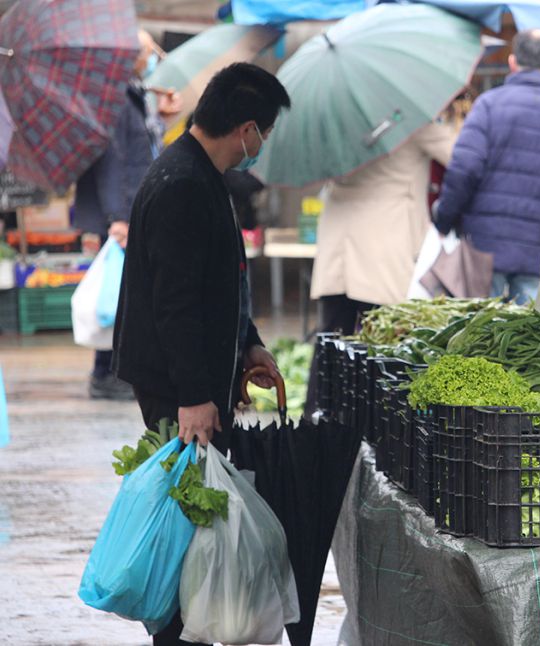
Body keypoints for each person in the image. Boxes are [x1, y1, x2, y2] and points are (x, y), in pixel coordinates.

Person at [113, 62, 290, 645]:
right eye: (263, 131)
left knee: (196, 521)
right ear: (246, 129)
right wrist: (193, 396)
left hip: (199, 371)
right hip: (174, 383)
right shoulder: (182, 184)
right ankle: (176, 634)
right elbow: (175, 305)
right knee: (183, 525)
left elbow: (222, 281)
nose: (261, 144)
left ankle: (191, 629)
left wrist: (249, 345)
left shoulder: (203, 174)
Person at [433, 28, 540, 305]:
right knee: (525, 340)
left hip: (482, 248)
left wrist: (446, 218)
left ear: (513, 62)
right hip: (537, 248)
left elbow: (464, 169)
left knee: (479, 338)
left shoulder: (487, 106)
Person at [74, 29, 176, 400]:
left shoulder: (133, 92)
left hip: (134, 210)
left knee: (125, 294)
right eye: (148, 51)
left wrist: (161, 119)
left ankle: (113, 371)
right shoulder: (114, 97)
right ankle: (106, 373)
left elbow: (142, 148)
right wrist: (119, 218)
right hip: (123, 215)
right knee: (117, 296)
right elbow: (115, 161)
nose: (152, 58)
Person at [309, 118, 457, 334]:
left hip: (336, 242)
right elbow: (461, 156)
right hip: (383, 241)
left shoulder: (338, 119)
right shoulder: (411, 120)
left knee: (332, 339)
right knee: (379, 341)